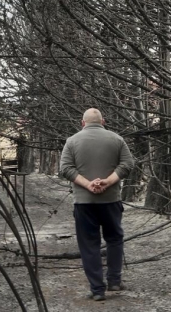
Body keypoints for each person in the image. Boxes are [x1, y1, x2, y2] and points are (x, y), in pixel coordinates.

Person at [59, 108, 134, 301]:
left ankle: (97, 290)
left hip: (84, 203)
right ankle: (115, 280)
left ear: (82, 123)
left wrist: (88, 185)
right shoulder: (117, 140)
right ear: (103, 121)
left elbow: (65, 168)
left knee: (89, 245)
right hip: (111, 201)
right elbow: (127, 165)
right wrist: (108, 182)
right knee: (114, 239)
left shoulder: (72, 141)